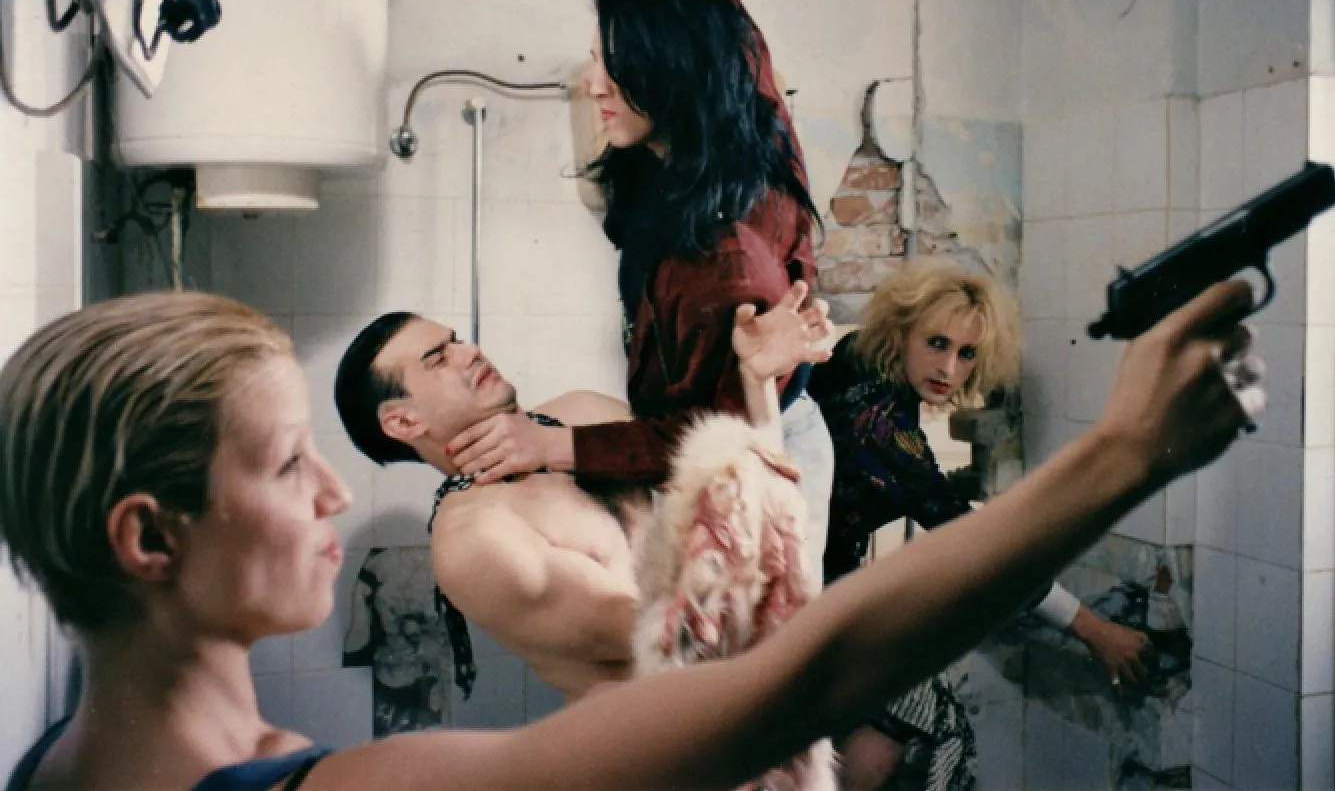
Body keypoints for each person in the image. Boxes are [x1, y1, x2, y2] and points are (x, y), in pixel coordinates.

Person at [0, 281, 1261, 791]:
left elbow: (753, 539)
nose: (333, 496)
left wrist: (757, 388)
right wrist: (1124, 453)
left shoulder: (67, 767)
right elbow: (762, 659)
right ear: (147, 539)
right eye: (286, 465)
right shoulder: (365, 747)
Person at [442, 0, 836, 578]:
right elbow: (725, 23)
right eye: (597, 57)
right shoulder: (732, 139)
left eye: (616, 64)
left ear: (673, 72)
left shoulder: (724, 261)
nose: (591, 83)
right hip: (731, 437)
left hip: (761, 457)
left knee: (748, 633)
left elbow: (710, 439)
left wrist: (550, 445)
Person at [334, 282, 832, 703]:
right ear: (403, 422)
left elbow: (745, 492)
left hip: (755, 695)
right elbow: (683, 642)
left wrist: (756, 380)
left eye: (457, 341)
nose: (470, 352)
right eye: (438, 359)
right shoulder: (476, 540)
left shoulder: (581, 413)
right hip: (671, 751)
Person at [807, 259, 1168, 791]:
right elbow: (977, 547)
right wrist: (1095, 631)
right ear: (901, 332)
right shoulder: (880, 424)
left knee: (886, 735)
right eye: (937, 343)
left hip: (807, 584)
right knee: (935, 729)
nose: (948, 368)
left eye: (966, 353)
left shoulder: (857, 359)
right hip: (803, 598)